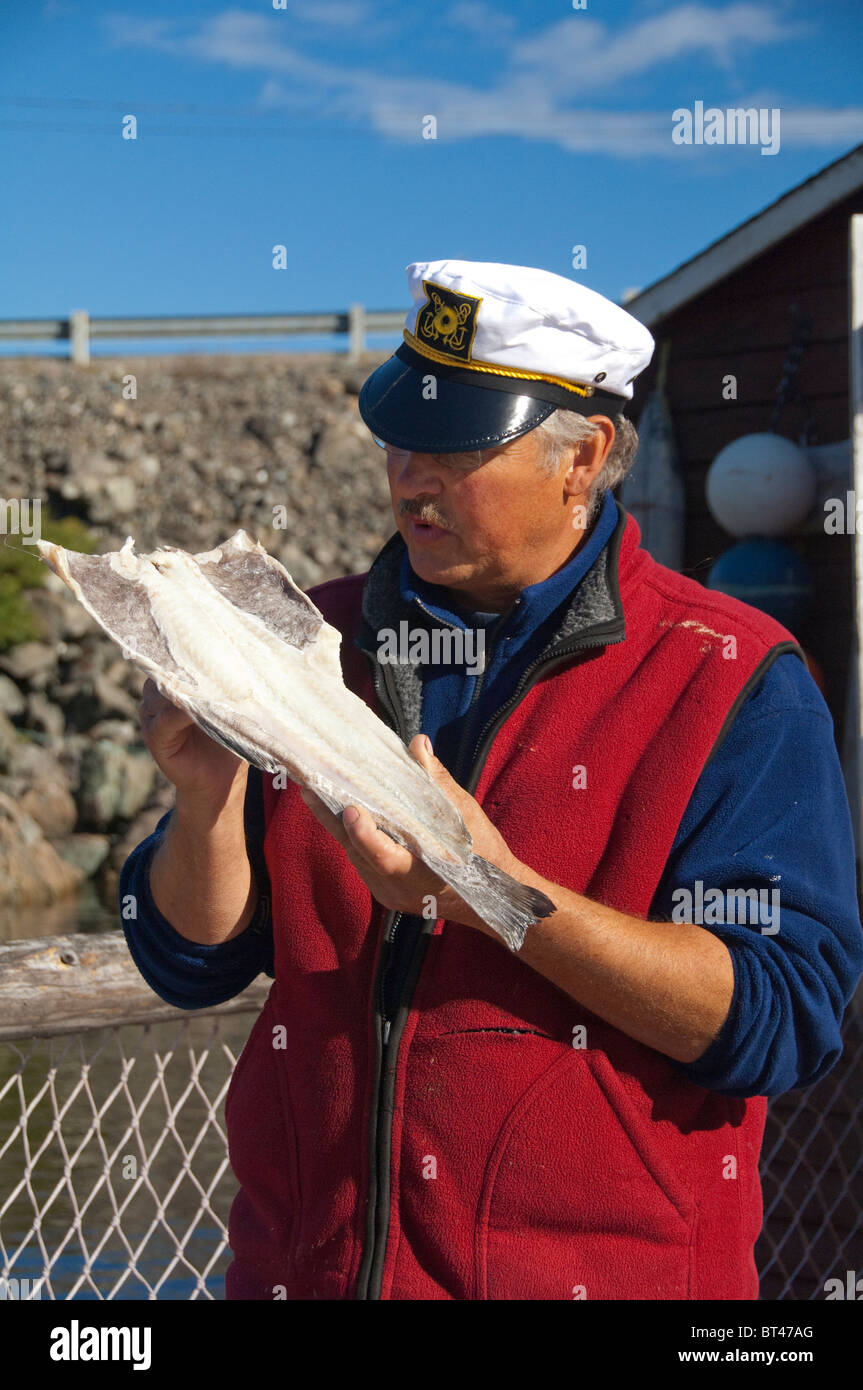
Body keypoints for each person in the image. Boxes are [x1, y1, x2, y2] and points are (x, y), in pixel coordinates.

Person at [120, 259, 863, 1301]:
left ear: (585, 456)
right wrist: (203, 801)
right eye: (397, 431)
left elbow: (781, 1015)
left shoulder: (729, 675)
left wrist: (493, 898)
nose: (406, 473)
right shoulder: (302, 637)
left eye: (455, 441)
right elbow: (191, 962)